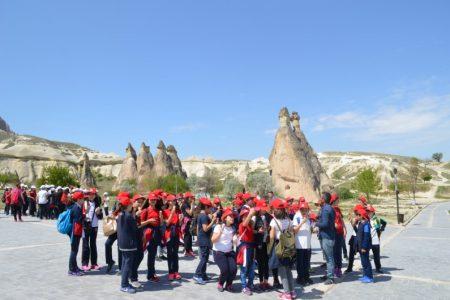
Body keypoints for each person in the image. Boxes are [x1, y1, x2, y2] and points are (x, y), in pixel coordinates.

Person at [269, 199, 296, 300]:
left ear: (275, 209)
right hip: (289, 247)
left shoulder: (274, 221)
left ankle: (287, 293)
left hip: (279, 247)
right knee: (288, 269)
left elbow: (272, 236)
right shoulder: (289, 220)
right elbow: (292, 232)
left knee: (282, 271)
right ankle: (292, 292)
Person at [117, 194, 139, 294]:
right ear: (128, 205)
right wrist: (135, 216)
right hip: (128, 243)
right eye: (131, 204)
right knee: (127, 264)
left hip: (122, 242)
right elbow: (135, 229)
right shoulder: (129, 216)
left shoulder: (121, 214)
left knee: (124, 262)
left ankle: (124, 282)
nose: (133, 205)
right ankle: (124, 285)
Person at [212, 208, 237, 292]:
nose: (232, 218)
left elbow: (232, 240)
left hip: (229, 252)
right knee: (225, 270)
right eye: (230, 216)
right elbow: (213, 240)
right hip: (218, 252)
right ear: (225, 217)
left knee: (233, 269)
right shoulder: (218, 226)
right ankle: (220, 283)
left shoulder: (233, 228)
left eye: (233, 216)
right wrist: (220, 232)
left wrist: (234, 240)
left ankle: (229, 284)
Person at [193, 197, 216, 285]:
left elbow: (199, 229)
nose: (211, 209)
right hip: (204, 239)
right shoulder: (203, 216)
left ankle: (203, 275)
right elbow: (205, 229)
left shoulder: (201, 215)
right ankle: (197, 274)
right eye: (210, 207)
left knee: (205, 258)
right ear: (206, 207)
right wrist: (213, 221)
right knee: (204, 258)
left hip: (203, 239)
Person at [315, 192, 336, 285]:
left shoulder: (326, 209)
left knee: (329, 258)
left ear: (323, 199)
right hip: (328, 236)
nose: (320, 199)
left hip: (327, 237)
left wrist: (316, 223)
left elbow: (325, 224)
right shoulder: (329, 208)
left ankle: (331, 277)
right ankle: (329, 274)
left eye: (321, 198)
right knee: (328, 258)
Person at [140, 192, 161, 283]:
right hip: (148, 234)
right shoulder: (145, 210)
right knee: (146, 255)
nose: (153, 201)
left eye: (154, 200)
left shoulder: (158, 210)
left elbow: (160, 223)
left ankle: (151, 273)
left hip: (156, 233)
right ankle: (150, 275)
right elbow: (140, 224)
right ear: (148, 201)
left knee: (152, 255)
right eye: (151, 200)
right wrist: (149, 221)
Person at [81, 189, 103, 271]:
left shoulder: (97, 204)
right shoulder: (84, 203)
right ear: (87, 195)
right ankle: (84, 264)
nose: (92, 195)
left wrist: (98, 213)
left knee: (93, 245)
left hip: (94, 227)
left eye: (93, 194)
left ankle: (94, 263)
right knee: (86, 246)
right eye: (90, 194)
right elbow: (82, 215)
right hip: (86, 227)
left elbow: (101, 217)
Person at [237, 208, 256, 296]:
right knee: (244, 269)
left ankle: (250, 284)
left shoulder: (250, 225)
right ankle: (244, 287)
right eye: (245, 215)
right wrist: (250, 214)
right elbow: (244, 224)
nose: (247, 216)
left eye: (247, 215)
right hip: (244, 248)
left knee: (252, 268)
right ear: (242, 217)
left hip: (251, 247)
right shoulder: (242, 224)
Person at [163, 194, 182, 281]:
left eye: (174, 201)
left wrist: (181, 220)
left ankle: (176, 271)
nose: (173, 202)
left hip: (176, 233)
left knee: (175, 253)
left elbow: (179, 224)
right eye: (172, 201)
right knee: (170, 253)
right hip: (169, 233)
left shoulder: (178, 211)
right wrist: (172, 212)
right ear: (168, 202)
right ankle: (170, 272)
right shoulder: (165, 211)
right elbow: (167, 223)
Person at [293, 201, 313, 286]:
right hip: (299, 244)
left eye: (305, 209)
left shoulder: (308, 217)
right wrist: (302, 222)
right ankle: (300, 277)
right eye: (302, 210)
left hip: (307, 244)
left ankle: (306, 276)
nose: (304, 211)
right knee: (300, 263)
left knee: (307, 262)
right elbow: (294, 230)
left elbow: (309, 229)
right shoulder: (297, 217)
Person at [253, 200, 271, 291]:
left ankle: (266, 281)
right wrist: (258, 231)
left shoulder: (267, 217)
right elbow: (251, 230)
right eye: (263, 209)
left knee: (266, 263)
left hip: (266, 243)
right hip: (259, 243)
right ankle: (260, 282)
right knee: (260, 263)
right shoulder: (255, 218)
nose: (264, 210)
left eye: (265, 209)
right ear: (259, 209)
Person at [68, 191, 85, 276]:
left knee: (75, 250)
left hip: (76, 231)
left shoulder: (77, 207)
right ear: (79, 199)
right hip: (75, 232)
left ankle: (74, 267)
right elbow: (78, 219)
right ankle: (71, 269)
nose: (83, 200)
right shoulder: (76, 208)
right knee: (74, 250)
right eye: (82, 199)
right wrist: (85, 215)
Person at [355, 208, 373, 283]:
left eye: (358, 215)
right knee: (363, 262)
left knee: (366, 262)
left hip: (364, 247)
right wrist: (353, 226)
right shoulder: (360, 223)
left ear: (362, 216)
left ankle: (369, 277)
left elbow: (366, 237)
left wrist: (364, 247)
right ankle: (365, 275)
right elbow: (358, 233)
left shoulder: (366, 224)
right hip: (360, 246)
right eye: (357, 215)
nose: (357, 216)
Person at [330, 193, 345, 278]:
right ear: (334, 201)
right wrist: (333, 224)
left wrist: (345, 229)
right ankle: (335, 269)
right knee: (334, 252)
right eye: (337, 199)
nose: (338, 201)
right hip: (334, 232)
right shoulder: (330, 209)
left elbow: (341, 219)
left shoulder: (338, 209)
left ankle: (339, 268)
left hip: (340, 232)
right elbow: (329, 220)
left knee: (339, 251)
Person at [367, 205, 384, 273]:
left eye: (369, 212)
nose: (368, 213)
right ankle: (368, 268)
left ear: (373, 212)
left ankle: (378, 268)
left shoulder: (375, 219)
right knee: (366, 255)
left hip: (375, 240)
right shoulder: (366, 219)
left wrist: (378, 237)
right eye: (367, 211)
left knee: (376, 255)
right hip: (367, 240)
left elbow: (378, 230)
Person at [181, 192, 196, 257]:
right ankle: (187, 250)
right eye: (191, 197)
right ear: (187, 198)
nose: (192, 198)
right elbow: (189, 213)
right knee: (187, 236)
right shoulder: (185, 204)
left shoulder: (188, 204)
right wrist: (192, 205)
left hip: (189, 221)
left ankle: (189, 249)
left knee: (189, 236)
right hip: (186, 221)